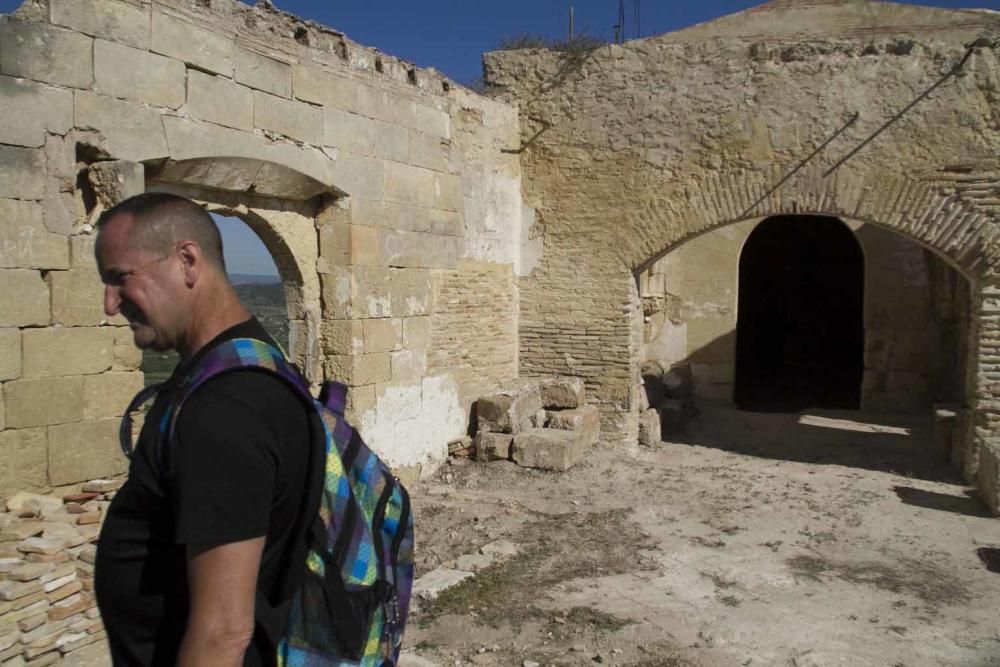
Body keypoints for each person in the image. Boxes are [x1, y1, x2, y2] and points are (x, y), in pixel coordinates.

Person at [93, 193, 311, 666]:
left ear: (187, 260)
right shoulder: (248, 358)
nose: (111, 304)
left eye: (119, 279)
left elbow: (222, 633)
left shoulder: (225, 409)